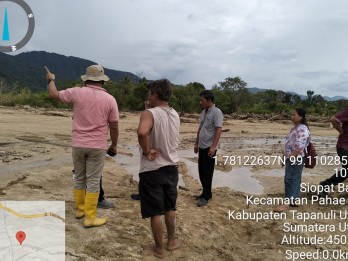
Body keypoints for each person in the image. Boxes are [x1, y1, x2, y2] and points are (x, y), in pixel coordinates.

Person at [45, 65, 119, 227]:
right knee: (93, 180)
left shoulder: (76, 92)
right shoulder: (110, 99)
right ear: (102, 81)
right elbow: (114, 126)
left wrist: (51, 80)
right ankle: (90, 217)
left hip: (78, 143)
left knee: (79, 177)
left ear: (87, 79)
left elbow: (53, 94)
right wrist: (113, 145)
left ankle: (79, 210)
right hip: (97, 146)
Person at [137, 79, 181, 258]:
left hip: (152, 169)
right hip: (171, 167)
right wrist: (148, 108)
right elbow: (158, 120)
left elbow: (142, 132)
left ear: (155, 94)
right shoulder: (175, 113)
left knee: (156, 211)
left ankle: (158, 249)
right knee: (170, 208)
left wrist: (147, 151)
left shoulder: (149, 113)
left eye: (150, 93)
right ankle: (171, 241)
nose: (148, 97)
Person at [274, 108, 309, 213]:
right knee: (295, 178)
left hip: (296, 157)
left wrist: (292, 156)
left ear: (301, 117)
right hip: (293, 156)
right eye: (292, 115)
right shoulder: (295, 128)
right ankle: (295, 199)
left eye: (294, 115)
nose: (292, 116)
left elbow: (300, 145)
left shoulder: (302, 128)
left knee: (290, 179)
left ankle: (286, 203)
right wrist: (285, 157)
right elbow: (290, 143)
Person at [193, 90, 223, 207]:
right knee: (201, 171)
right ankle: (205, 193)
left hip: (210, 148)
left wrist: (213, 147)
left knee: (207, 172)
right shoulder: (203, 112)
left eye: (202, 100)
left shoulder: (217, 112)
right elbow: (200, 129)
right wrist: (196, 144)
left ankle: (206, 197)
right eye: (200, 100)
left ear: (209, 100)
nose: (200, 102)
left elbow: (218, 129)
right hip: (202, 146)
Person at [319, 108, 348, 193]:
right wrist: (341, 132)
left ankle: (327, 184)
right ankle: (326, 184)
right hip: (344, 146)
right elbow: (334, 120)